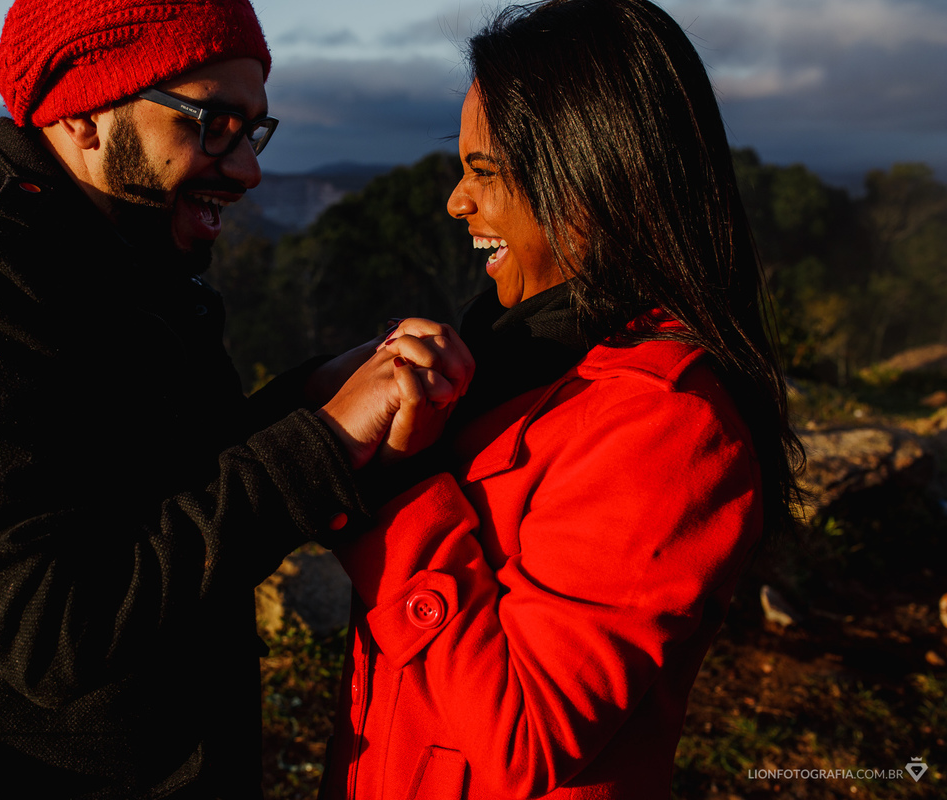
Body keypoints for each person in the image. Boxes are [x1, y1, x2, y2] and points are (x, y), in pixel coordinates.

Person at [0, 1, 473, 798]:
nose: (246, 170)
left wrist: (310, 398)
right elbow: (54, 627)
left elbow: (166, 493)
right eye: (211, 122)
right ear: (83, 117)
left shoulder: (135, 259)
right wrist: (322, 443)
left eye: (251, 130)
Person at [321, 1, 804, 797]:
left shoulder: (669, 428)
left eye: (484, 171)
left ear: (593, 178)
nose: (455, 201)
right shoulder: (520, 357)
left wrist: (401, 482)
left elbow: (523, 738)